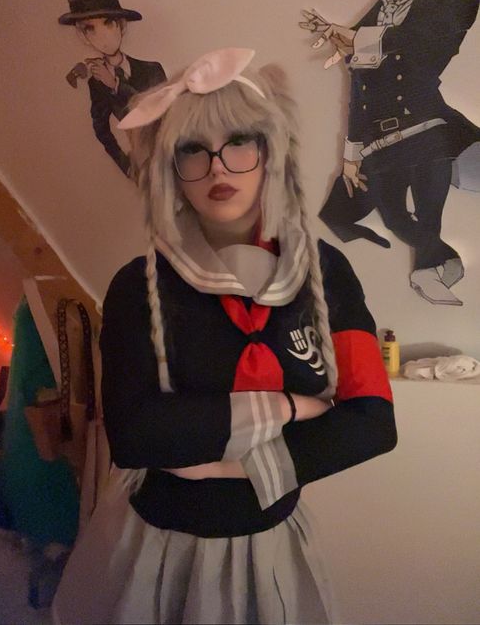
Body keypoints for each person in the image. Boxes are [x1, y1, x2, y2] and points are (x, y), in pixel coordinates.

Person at [52, 47, 397, 624]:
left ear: (270, 153)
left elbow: (374, 424)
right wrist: (292, 408)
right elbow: (134, 436)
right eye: (193, 149)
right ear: (170, 168)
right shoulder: (138, 285)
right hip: (156, 545)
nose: (218, 168)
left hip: (271, 543)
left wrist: (222, 463)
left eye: (239, 142)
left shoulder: (326, 272)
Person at [301, 0, 480, 306]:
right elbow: (358, 94)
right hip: (381, 143)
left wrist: (361, 39)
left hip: (429, 133)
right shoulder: (371, 18)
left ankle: (425, 274)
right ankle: (446, 260)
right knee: (395, 219)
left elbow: (429, 41)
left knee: (429, 217)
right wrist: (351, 155)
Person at [58, 0, 166, 176]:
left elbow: (161, 117)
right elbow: (101, 129)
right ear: (83, 36)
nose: (103, 37)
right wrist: (126, 166)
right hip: (144, 169)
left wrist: (115, 85)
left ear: (121, 25)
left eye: (108, 23)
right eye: (90, 29)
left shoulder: (152, 70)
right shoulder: (96, 82)